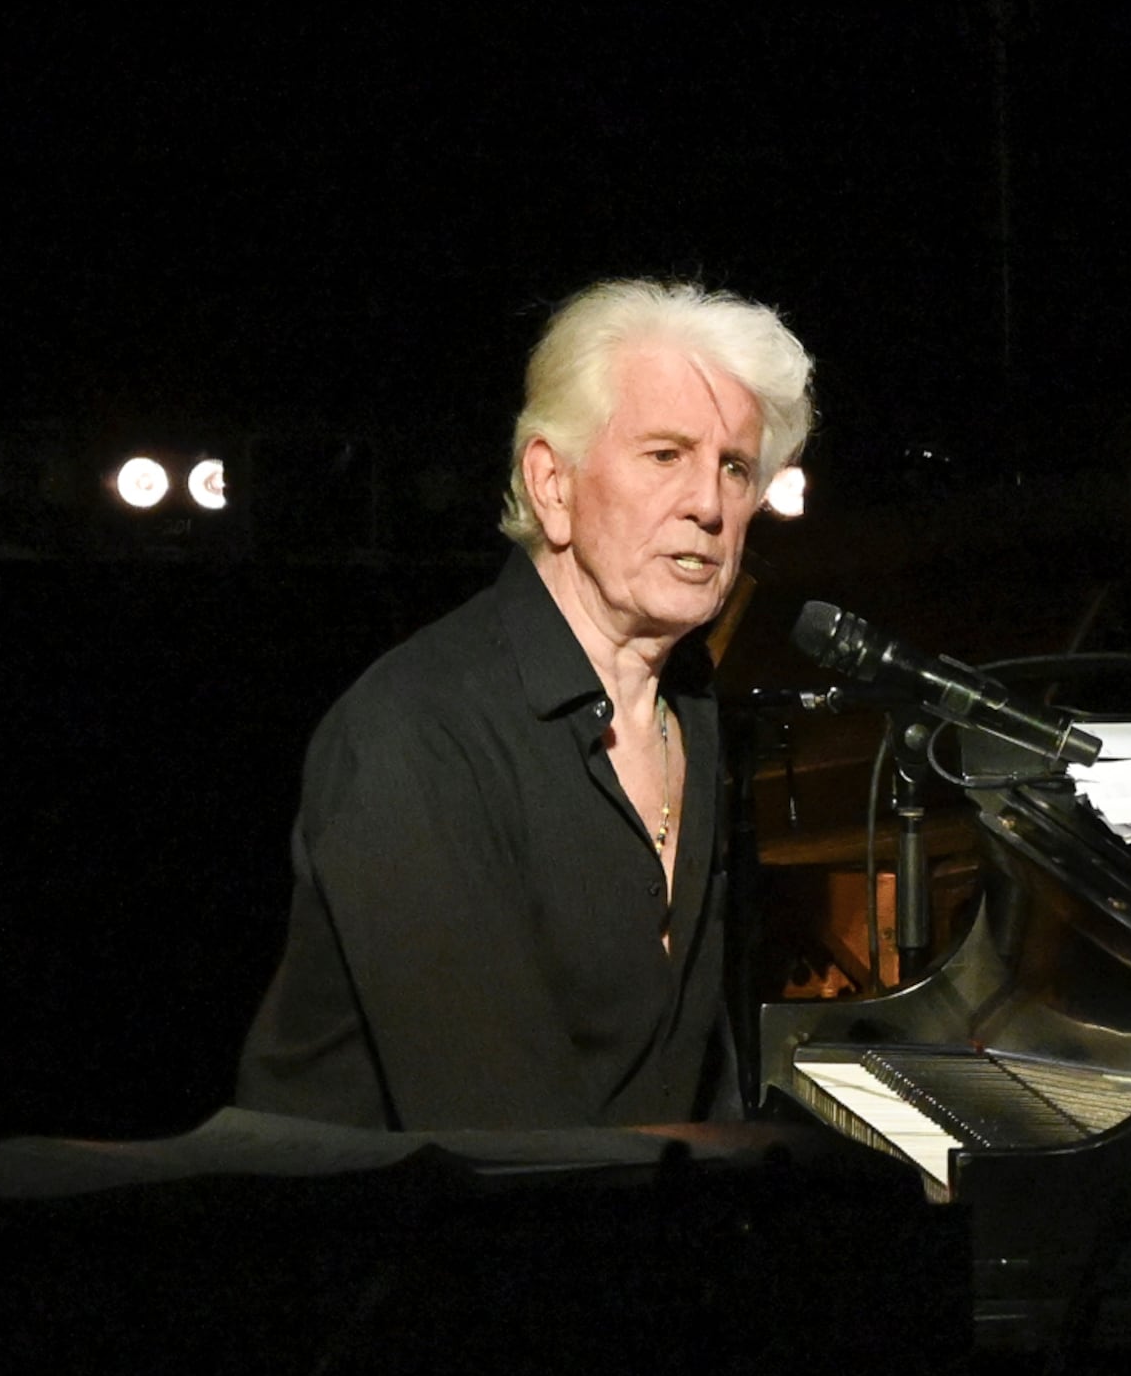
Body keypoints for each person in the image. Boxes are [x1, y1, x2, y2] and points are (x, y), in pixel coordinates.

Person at [235, 279, 816, 1128]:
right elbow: (499, 1132)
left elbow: (689, 1066)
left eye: (734, 467)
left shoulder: (689, 704)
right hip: (394, 1242)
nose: (709, 504)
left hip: (611, 1215)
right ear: (551, 483)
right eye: (666, 455)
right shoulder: (416, 731)